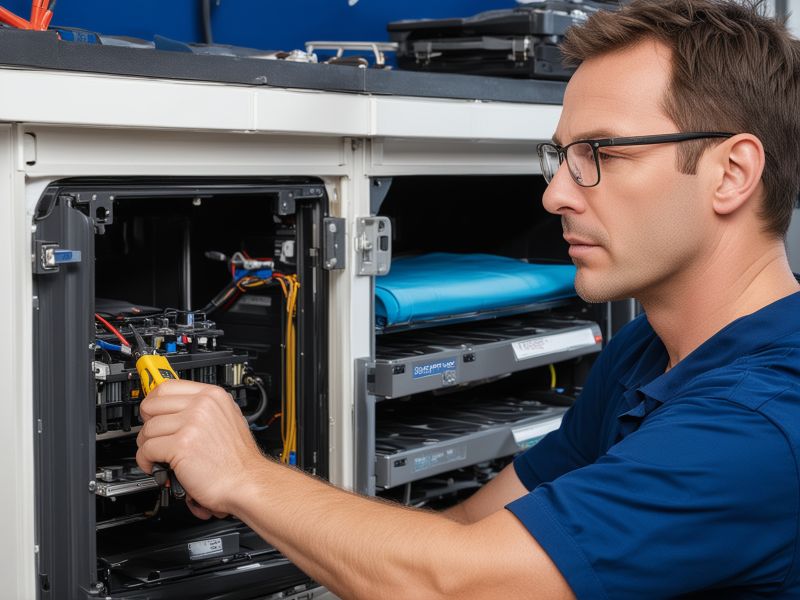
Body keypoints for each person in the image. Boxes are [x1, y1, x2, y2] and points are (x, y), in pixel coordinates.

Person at [136, 0, 800, 597]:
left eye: (601, 153)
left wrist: (247, 477)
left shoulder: (760, 422)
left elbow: (459, 586)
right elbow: (467, 531)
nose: (555, 195)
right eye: (561, 155)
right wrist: (262, 505)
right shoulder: (651, 354)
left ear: (732, 173)